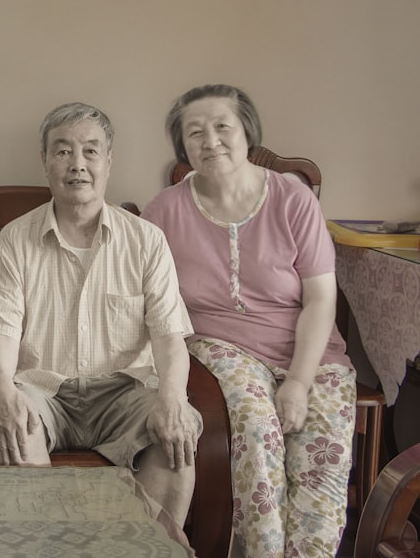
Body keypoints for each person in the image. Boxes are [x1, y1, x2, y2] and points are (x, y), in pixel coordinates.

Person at [142, 84, 355, 557]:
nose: (210, 140)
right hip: (221, 345)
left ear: (247, 132)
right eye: (194, 132)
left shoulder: (293, 199)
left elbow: (321, 299)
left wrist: (298, 383)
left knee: (323, 463)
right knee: (257, 436)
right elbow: (151, 300)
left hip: (310, 351)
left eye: (223, 126)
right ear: (182, 146)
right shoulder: (164, 211)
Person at [0, 102, 200, 528]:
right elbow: (2, 335)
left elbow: (168, 338)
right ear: (45, 162)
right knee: (15, 430)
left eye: (91, 151)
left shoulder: (146, 240)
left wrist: (173, 398)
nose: (78, 165)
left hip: (125, 393)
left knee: (174, 438)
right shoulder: (15, 240)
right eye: (63, 151)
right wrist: (1, 393)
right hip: (44, 392)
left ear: (109, 161)